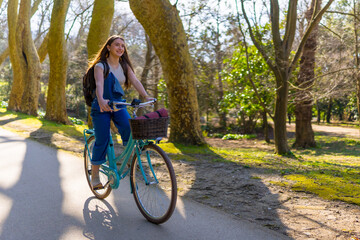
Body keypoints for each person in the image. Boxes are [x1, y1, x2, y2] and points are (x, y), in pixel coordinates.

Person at [88, 35, 153, 190]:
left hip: (118, 105)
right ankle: (95, 175)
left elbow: (135, 81)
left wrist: (145, 95)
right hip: (102, 106)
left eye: (122, 46)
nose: (120, 48)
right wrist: (102, 100)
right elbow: (99, 84)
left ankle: (130, 159)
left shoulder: (125, 66)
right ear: (108, 47)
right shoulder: (100, 66)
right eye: (117, 45)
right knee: (102, 139)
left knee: (130, 129)